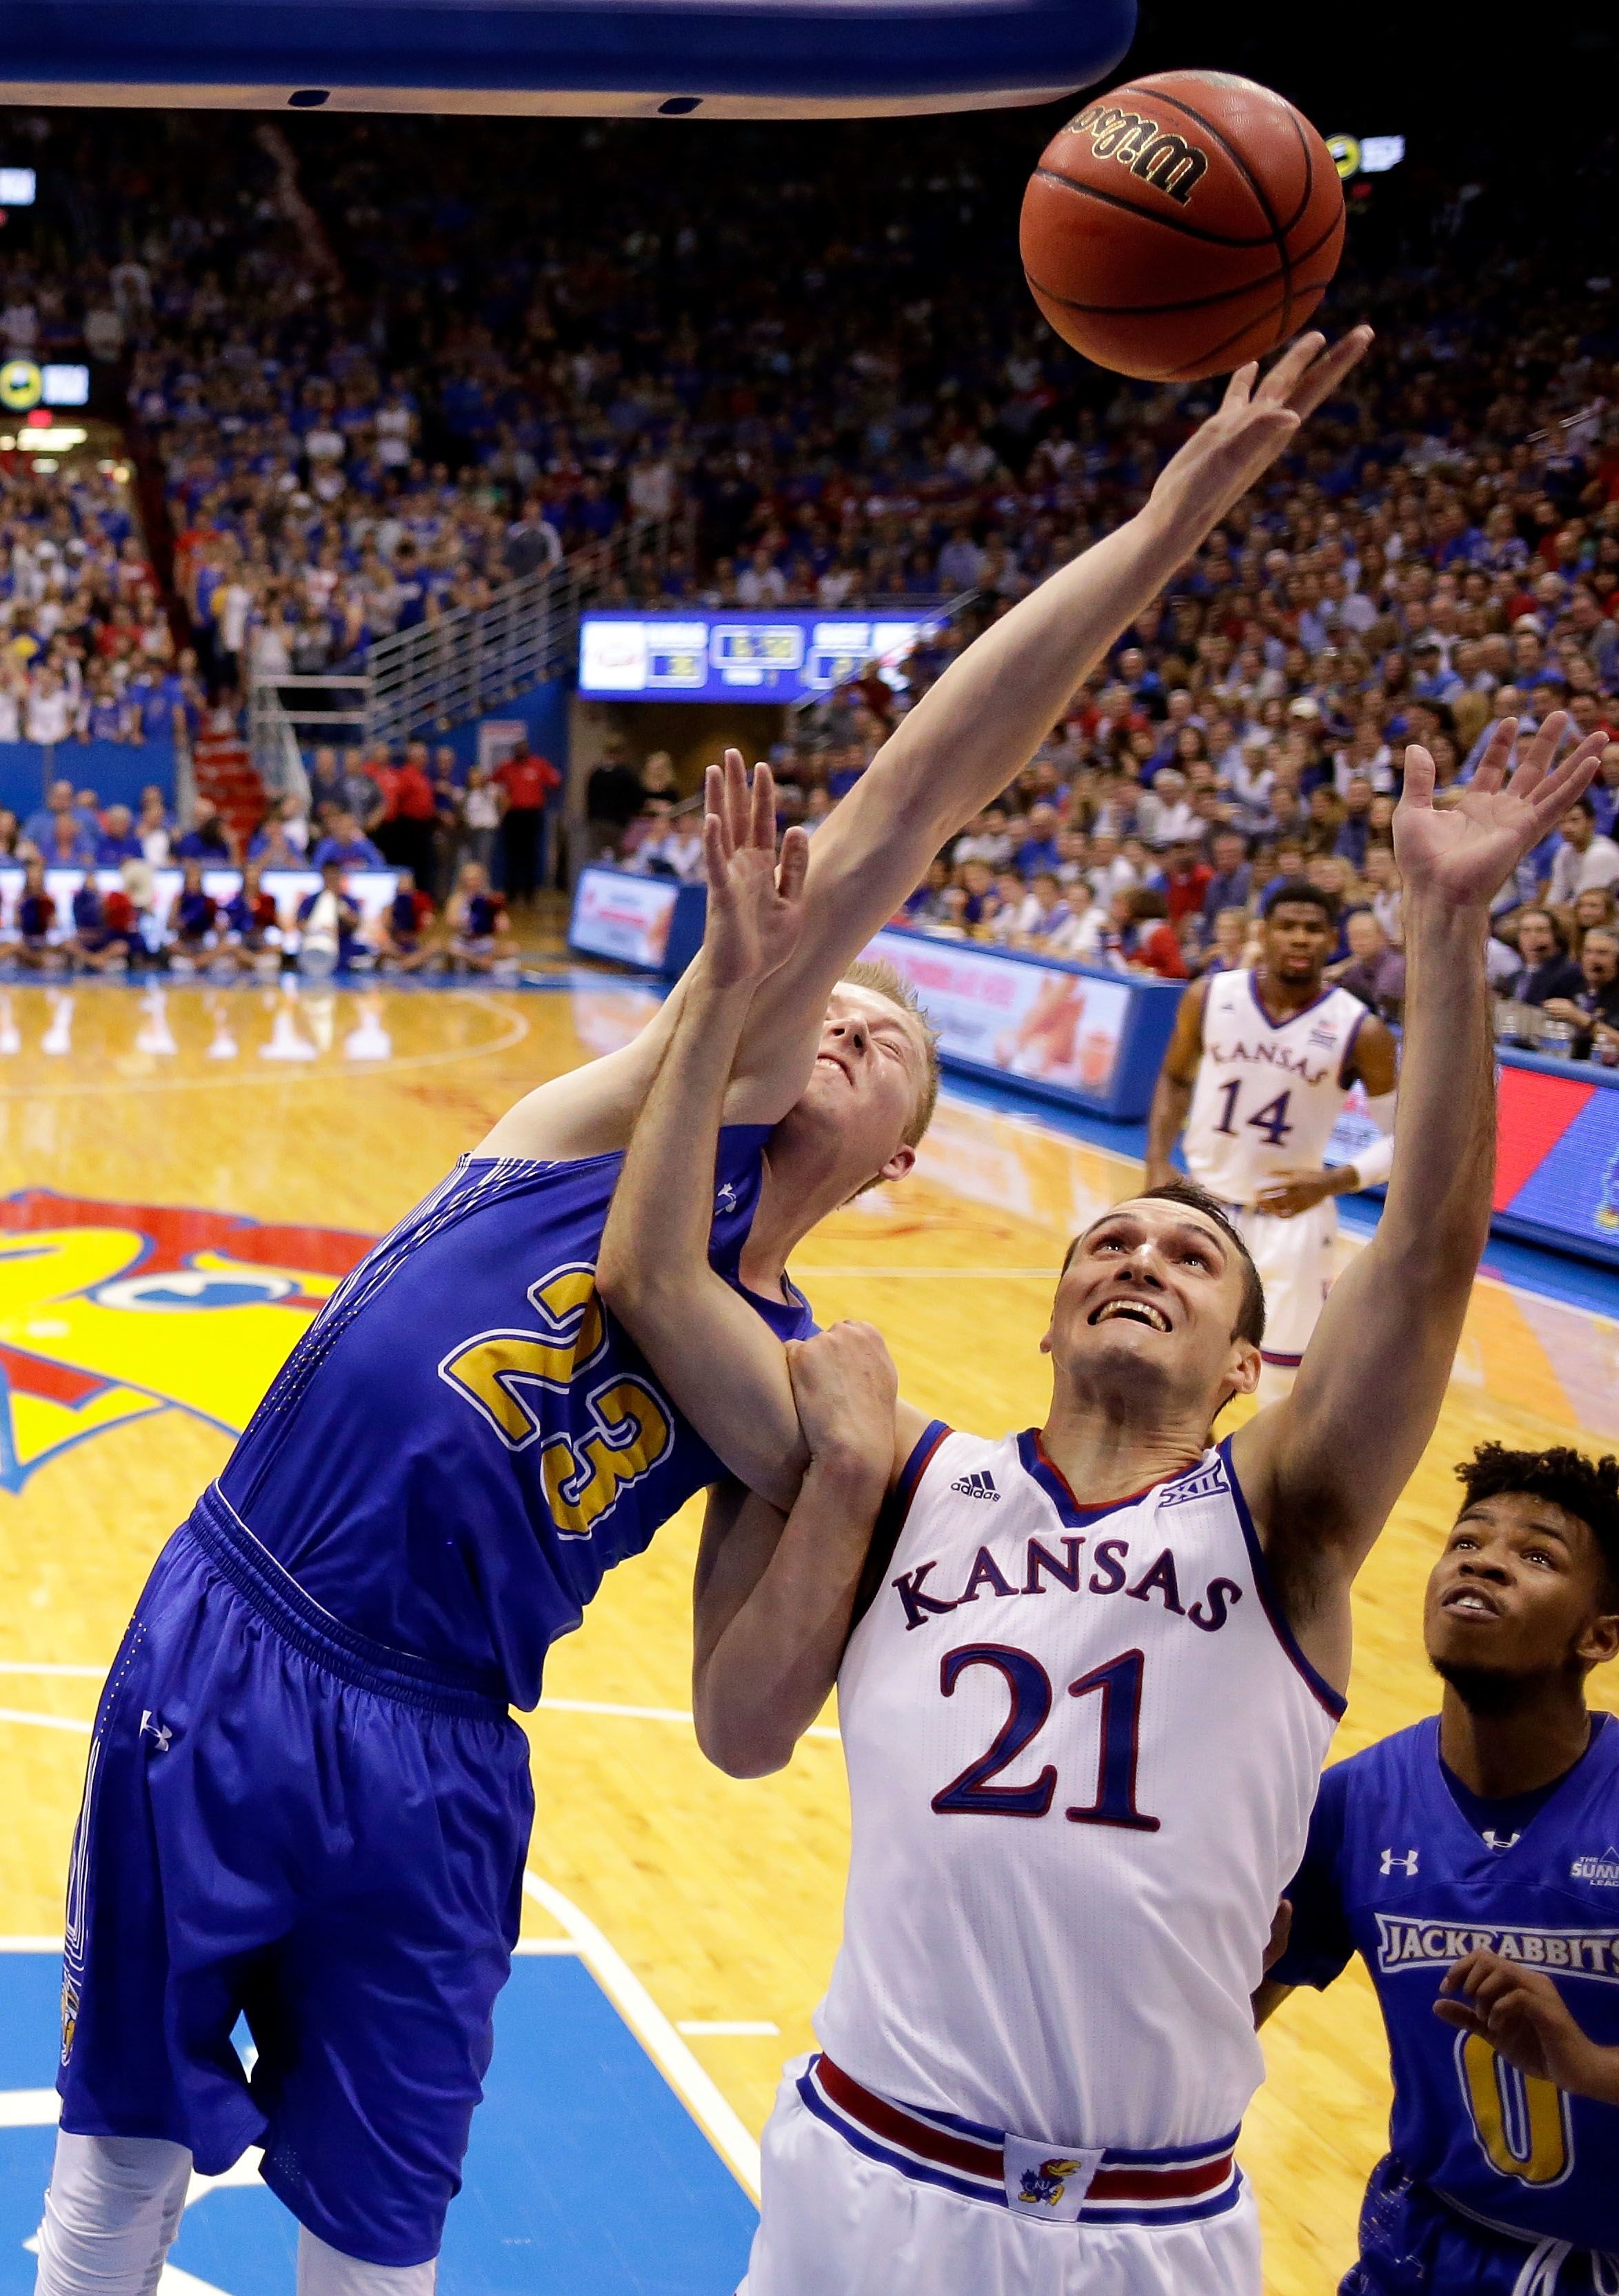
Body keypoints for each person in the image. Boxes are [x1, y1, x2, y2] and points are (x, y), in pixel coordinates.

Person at [32, 332, 1371, 2296]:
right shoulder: (644, 1110)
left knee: (377, 2222)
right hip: (243, 1629)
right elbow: (914, 795)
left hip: (445, 1741)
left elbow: (758, 1671)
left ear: (909, 1143)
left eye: (892, 1035)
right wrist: (1161, 528)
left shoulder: (780, 1370)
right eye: (833, 992)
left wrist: (839, 1485)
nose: (848, 1012)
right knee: (117, 2174)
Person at [595, 709, 1603, 2296]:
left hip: (1150, 2221)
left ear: (1241, 1365)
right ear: (1050, 1321)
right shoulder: (903, 1469)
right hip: (866, 2173)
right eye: (1106, 1250)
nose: (1139, 1256)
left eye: (1190, 1258)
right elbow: (652, 1271)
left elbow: (1424, 1252)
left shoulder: (1283, 1512)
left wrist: (1448, 923)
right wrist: (721, 1002)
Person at [1257, 1444, 1619, 2296]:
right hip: (1420, 2253)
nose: (1484, 1561)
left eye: (1535, 1556)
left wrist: (1585, 2065)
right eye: (1465, 1542)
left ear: (1598, 1636)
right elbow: (1224, 2023)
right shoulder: (1351, 1804)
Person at [1145, 878, 1400, 1400]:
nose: (1300, 939)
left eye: (1313, 929)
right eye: (1287, 926)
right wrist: (1155, 1163)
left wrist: (1335, 1180)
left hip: (1294, 1223)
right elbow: (1175, 1076)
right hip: (1206, 1208)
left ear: (1334, 940)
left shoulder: (1361, 1031)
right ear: (1265, 933)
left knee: (1279, 1387)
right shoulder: (1211, 995)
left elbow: (1406, 1138)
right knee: (1171, 1363)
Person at [492, 738, 561, 905]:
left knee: (531, 855)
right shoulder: (506, 766)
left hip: (532, 815)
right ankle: (512, 894)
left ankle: (529, 895)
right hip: (513, 816)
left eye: (524, 748)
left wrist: (543, 794)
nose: (521, 751)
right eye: (518, 749)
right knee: (512, 856)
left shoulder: (539, 764)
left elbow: (555, 781)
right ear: (514, 751)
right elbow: (493, 783)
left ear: (528, 750)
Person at [1542, 923, 1619, 1054]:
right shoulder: (1570, 978)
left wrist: (1582, 1019)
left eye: (1602, 953)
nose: (1593, 959)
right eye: (1588, 952)